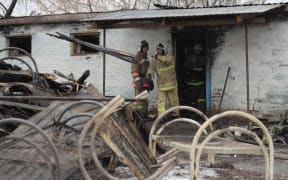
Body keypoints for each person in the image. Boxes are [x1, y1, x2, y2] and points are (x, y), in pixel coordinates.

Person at [147, 43, 179, 116]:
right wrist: (149, 76)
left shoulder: (169, 57)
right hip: (161, 85)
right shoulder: (155, 59)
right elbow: (151, 68)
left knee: (173, 101)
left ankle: (175, 114)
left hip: (171, 84)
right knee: (161, 102)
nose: (158, 50)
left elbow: (167, 61)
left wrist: (157, 57)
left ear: (164, 49)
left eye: (160, 49)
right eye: (157, 49)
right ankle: (161, 116)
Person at [131, 40, 153, 118]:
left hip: (145, 81)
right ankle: (138, 116)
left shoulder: (146, 58)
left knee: (145, 99)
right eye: (144, 48)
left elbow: (149, 70)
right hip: (139, 82)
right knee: (139, 101)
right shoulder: (137, 57)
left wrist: (150, 80)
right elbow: (134, 71)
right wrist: (138, 81)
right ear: (141, 48)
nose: (145, 49)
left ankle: (144, 115)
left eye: (146, 48)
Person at [183, 44, 206, 113]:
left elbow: (206, 67)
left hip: (200, 82)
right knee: (191, 99)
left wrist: (201, 70)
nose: (197, 51)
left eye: (198, 50)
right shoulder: (189, 58)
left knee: (200, 99)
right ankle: (192, 112)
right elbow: (185, 68)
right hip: (191, 82)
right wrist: (191, 70)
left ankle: (199, 112)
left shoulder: (203, 58)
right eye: (196, 50)